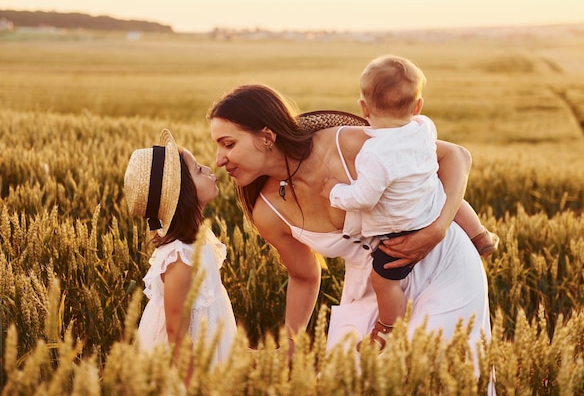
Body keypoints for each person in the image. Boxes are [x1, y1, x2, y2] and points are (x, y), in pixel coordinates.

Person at [207, 84, 492, 380]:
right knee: (350, 380)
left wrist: (438, 229)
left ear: (266, 137)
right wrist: (292, 342)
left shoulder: (342, 146)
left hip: (441, 264)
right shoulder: (267, 212)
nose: (218, 159)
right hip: (370, 288)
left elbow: (455, 156)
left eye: (228, 144)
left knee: (438, 376)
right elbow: (303, 275)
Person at [320, 55, 498, 349]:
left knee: (383, 281)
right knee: (443, 193)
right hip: (432, 207)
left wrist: (335, 192)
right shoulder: (424, 127)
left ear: (363, 108)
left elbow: (364, 198)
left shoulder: (374, 152)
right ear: (418, 106)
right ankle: (479, 234)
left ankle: (388, 326)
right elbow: (449, 157)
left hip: (401, 231)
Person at [123, 129, 237, 385]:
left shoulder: (200, 240)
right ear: (183, 195)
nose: (209, 168)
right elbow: (176, 332)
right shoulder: (181, 258)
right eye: (198, 170)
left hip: (208, 344)